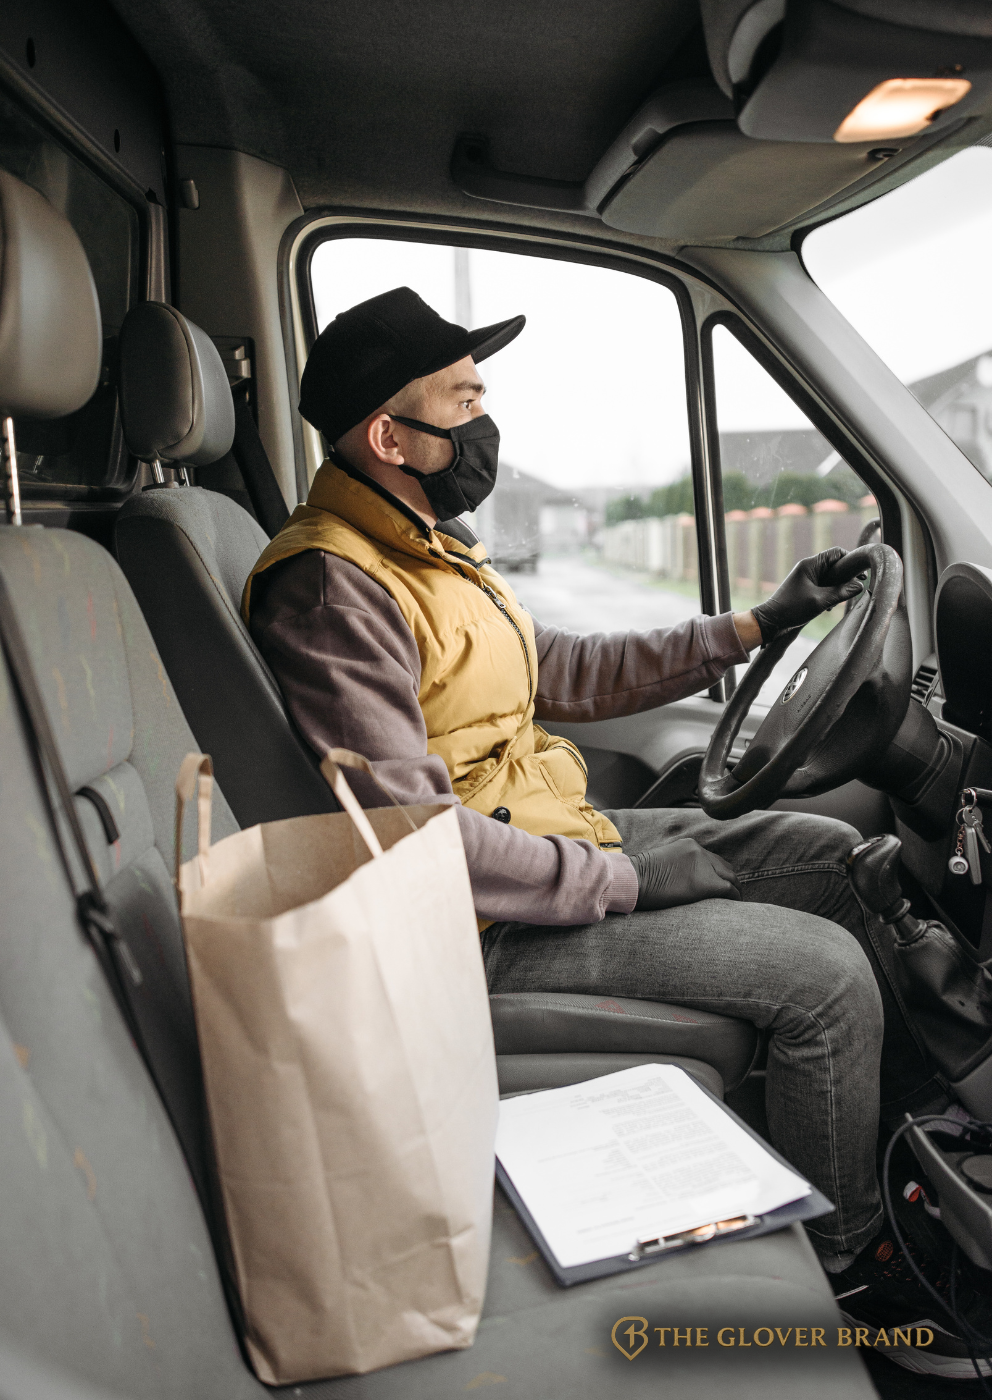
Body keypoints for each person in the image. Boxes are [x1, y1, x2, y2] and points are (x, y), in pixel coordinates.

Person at [243, 287, 946, 1333]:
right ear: (391, 434)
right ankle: (849, 1267)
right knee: (826, 978)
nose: (485, 423)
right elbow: (412, 840)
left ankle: (896, 1145)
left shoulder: (427, 544)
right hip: (471, 929)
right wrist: (621, 877)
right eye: (464, 399)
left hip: (545, 838)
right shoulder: (331, 587)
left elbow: (552, 668)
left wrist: (755, 622)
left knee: (831, 853)